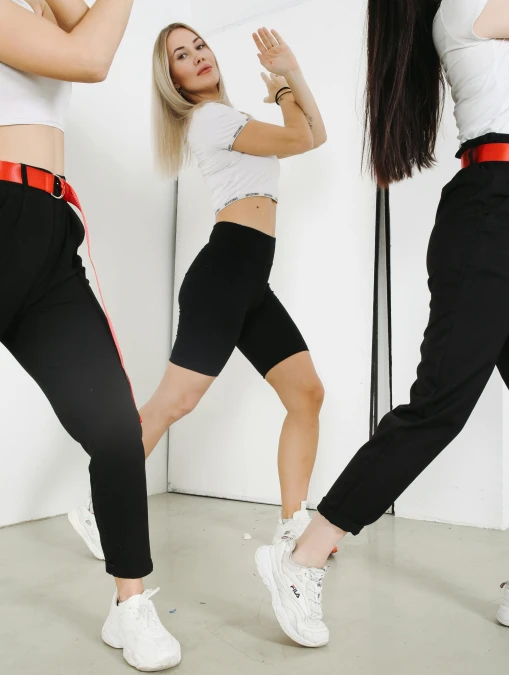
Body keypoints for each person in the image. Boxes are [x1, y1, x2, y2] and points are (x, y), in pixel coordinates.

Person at [255, 0, 509, 647]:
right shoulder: (465, 8)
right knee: (439, 408)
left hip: (507, 213)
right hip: (494, 212)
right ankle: (302, 557)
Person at [68, 22, 331, 559]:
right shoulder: (209, 119)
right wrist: (287, 83)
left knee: (306, 394)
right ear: (174, 80)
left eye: (200, 46)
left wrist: (288, 82)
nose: (198, 57)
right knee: (174, 402)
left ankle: (291, 528)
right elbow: (303, 136)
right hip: (223, 276)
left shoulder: (230, 116)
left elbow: (316, 135)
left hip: (249, 278)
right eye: (182, 56)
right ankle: (97, 505)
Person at [0, 0, 180, 671]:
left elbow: (84, 24)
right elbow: (90, 57)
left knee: (113, 428)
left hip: (47, 230)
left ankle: (129, 604)